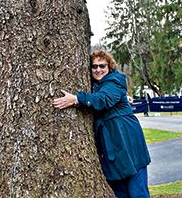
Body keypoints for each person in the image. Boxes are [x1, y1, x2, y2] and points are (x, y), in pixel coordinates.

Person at [53, 49, 151, 198]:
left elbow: (103, 99)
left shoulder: (115, 82)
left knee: (137, 192)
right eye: (94, 66)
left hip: (129, 145)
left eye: (102, 66)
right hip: (112, 150)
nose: (98, 69)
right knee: (120, 193)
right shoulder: (95, 86)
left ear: (109, 67)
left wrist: (76, 99)